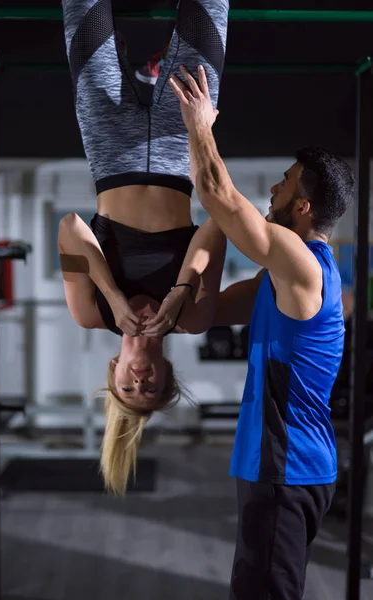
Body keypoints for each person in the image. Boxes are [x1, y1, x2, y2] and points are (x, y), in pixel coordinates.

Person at [169, 66, 354, 599]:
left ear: (302, 207)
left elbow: (217, 194)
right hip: (277, 468)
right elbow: (201, 317)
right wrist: (170, 293)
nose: (273, 186)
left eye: (286, 179)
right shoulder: (280, 278)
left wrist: (199, 124)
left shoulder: (302, 265)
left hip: (287, 469)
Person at [60, 0, 230, 495]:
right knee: (209, 8)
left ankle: (146, 69)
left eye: (128, 388)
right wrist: (181, 290)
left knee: (84, 10)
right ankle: (155, 70)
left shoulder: (90, 312)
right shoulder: (192, 318)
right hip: (180, 148)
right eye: (150, 388)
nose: (140, 380)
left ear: (113, 373)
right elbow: (217, 228)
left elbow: (71, 226)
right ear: (167, 373)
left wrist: (112, 295)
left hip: (110, 149)